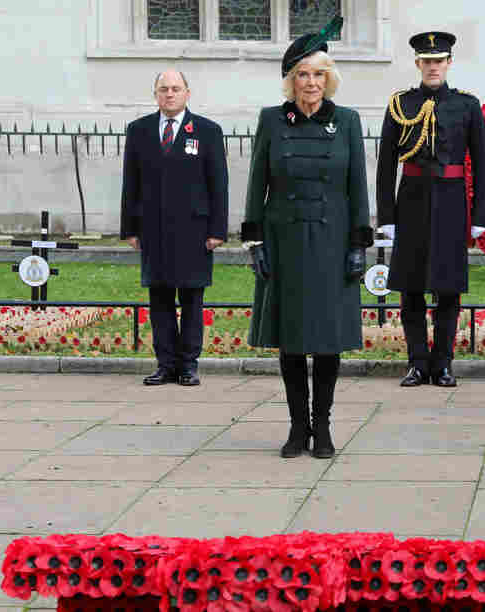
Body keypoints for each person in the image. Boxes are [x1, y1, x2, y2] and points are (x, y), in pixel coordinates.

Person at [242, 16, 374, 459]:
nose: (311, 83)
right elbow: (257, 182)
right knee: (293, 339)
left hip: (334, 243)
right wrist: (254, 241)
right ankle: (298, 428)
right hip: (284, 241)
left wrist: (360, 245)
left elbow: (358, 186)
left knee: (327, 338)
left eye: (318, 74)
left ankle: (324, 426)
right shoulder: (271, 121)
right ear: (291, 81)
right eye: (302, 74)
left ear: (329, 79)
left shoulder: (348, 122)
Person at [375, 30, 485, 388]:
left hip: (452, 200)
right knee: (410, 288)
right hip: (411, 198)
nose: (433, 67)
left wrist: (479, 216)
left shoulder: (466, 105)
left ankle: (442, 363)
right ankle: (416, 363)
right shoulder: (401, 104)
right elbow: (386, 165)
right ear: (418, 64)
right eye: (427, 62)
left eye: (439, 61)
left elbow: (483, 163)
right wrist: (387, 217)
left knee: (448, 288)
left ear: (449, 63)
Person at [120, 69, 228, 387]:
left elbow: (218, 184)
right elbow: (131, 182)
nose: (170, 94)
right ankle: (165, 364)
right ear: (155, 94)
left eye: (176, 88)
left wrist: (217, 230)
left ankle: (188, 366)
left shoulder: (207, 131)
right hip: (153, 230)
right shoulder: (139, 130)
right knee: (160, 300)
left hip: (194, 231)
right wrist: (130, 228)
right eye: (163, 89)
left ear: (187, 93)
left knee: (192, 300)